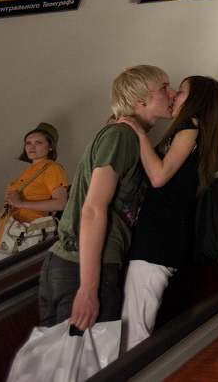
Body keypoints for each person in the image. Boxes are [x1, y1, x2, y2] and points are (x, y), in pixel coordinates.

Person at [39, 65, 176, 331]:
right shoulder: (120, 136)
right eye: (164, 88)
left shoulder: (130, 138)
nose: (172, 94)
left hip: (78, 265)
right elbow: (93, 208)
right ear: (140, 100)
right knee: (85, 368)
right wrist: (89, 289)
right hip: (83, 267)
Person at [117, 75, 218, 351]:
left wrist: (140, 133)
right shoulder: (194, 129)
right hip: (163, 236)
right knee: (136, 323)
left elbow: (159, 177)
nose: (175, 95)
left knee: (135, 331)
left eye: (182, 91)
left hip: (160, 238)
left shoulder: (190, 125)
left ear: (197, 99)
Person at [0, 123, 67, 268]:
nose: (31, 147)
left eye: (38, 142)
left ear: (50, 147)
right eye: (28, 143)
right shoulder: (28, 174)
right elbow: (4, 212)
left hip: (26, 236)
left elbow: (60, 203)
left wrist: (20, 203)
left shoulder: (53, 168)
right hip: (7, 237)